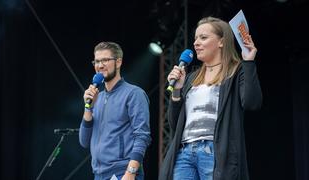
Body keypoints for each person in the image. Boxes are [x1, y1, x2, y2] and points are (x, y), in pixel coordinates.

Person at [158, 16, 262, 180]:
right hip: (185, 151)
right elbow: (174, 123)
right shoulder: (191, 78)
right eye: (195, 38)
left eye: (203, 37)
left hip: (214, 151)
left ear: (221, 41)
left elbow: (251, 102)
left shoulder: (235, 72)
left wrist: (248, 63)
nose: (196, 43)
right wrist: (177, 91)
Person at [79, 42, 151, 180]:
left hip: (123, 173)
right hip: (99, 174)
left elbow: (142, 136)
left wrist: (131, 172)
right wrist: (88, 107)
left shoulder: (134, 94)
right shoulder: (97, 98)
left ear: (118, 62)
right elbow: (84, 141)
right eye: (97, 61)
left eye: (105, 60)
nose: (100, 65)